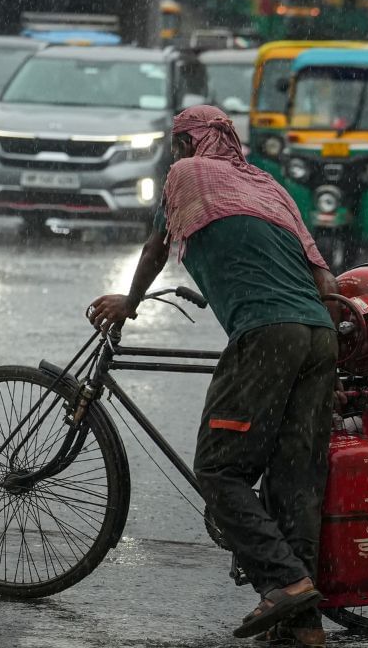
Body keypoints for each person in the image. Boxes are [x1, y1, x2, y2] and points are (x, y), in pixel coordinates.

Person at [88, 105, 340, 647]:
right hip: (319, 335)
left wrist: (129, 304)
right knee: (296, 480)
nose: (174, 155)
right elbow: (322, 271)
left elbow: (158, 246)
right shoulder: (267, 186)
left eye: (177, 145)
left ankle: (287, 583)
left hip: (267, 333)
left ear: (186, 145)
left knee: (219, 471)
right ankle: (304, 628)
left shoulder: (187, 177)